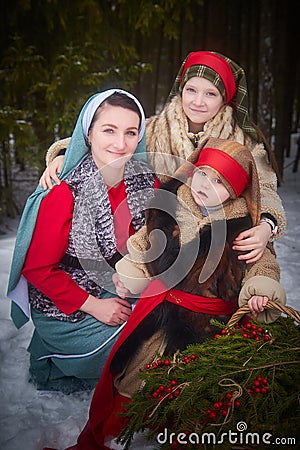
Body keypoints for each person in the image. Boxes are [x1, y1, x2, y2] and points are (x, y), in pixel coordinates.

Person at [51, 137, 286, 450]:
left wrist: (260, 291)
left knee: (197, 389)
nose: (205, 184)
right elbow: (142, 245)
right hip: (162, 312)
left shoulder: (243, 228)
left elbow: (264, 266)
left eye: (220, 181)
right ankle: (115, 429)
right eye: (203, 172)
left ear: (235, 191)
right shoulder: (170, 205)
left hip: (211, 329)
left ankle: (183, 436)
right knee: (138, 373)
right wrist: (131, 274)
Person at [40, 50, 286, 266]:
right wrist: (64, 155)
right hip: (167, 240)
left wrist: (267, 226)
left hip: (221, 244)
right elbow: (115, 141)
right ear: (181, 90)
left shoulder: (243, 143)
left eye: (210, 94)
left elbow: (265, 189)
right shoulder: (155, 130)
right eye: (191, 90)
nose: (198, 102)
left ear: (225, 98)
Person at [6, 89, 158, 393]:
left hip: (115, 287)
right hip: (67, 305)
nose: (120, 143)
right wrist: (94, 306)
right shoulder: (65, 191)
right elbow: (37, 270)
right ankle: (56, 359)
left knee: (173, 313)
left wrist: (136, 275)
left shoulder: (145, 182)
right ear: (88, 134)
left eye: (130, 132)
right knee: (144, 343)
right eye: (109, 130)